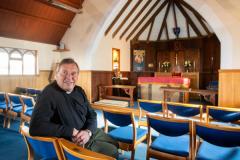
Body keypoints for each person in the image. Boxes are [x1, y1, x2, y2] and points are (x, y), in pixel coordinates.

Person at [29, 58, 119, 158]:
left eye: (73, 74)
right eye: (64, 73)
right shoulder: (48, 93)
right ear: (56, 75)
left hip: (88, 132)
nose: (69, 77)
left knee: (115, 143)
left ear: (77, 76)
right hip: (73, 141)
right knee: (113, 152)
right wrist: (70, 131)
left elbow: (92, 114)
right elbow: (35, 127)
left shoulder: (79, 90)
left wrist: (88, 132)